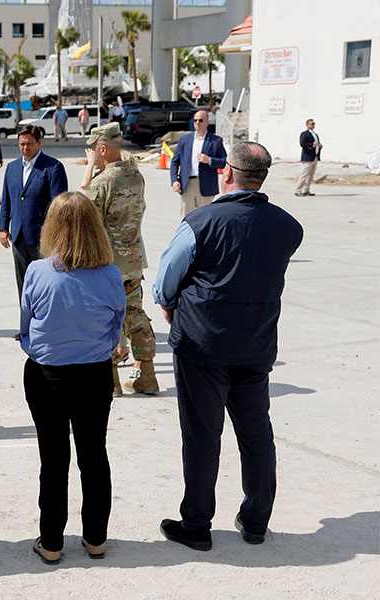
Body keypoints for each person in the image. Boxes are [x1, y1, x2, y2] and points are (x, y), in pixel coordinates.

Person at [153, 142, 303, 551]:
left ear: (228, 173)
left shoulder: (200, 221)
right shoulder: (288, 226)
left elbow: (167, 278)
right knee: (256, 435)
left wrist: (168, 304)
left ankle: (197, 525)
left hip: (203, 344)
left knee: (202, 436)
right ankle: (256, 521)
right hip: (255, 344)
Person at [21, 191, 126, 565]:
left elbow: (26, 327)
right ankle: (96, 538)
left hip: (47, 373)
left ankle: (51, 541)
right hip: (94, 373)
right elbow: (116, 329)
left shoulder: (37, 271)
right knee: (94, 454)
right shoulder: (111, 274)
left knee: (53, 459)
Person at [84, 123, 159, 395]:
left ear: (103, 149)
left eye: (94, 149)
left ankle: (111, 381)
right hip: (133, 263)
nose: (92, 154)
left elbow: (88, 225)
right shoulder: (136, 176)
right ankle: (147, 376)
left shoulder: (102, 182)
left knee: (105, 318)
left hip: (107, 265)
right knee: (136, 315)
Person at [0, 124, 68, 330]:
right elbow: (7, 200)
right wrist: (3, 227)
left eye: (29, 144)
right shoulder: (12, 168)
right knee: (23, 283)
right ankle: (26, 327)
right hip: (18, 236)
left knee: (46, 283)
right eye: (21, 144)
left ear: (39, 142)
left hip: (43, 239)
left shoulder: (53, 168)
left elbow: (59, 206)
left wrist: (56, 235)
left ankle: (45, 326)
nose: (25, 148)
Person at [170, 110, 228, 217]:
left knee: (205, 218)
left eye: (200, 120)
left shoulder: (216, 141)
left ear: (207, 122)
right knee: (186, 218)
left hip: (206, 185)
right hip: (187, 184)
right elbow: (175, 162)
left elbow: (225, 162)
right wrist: (174, 180)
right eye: (195, 120)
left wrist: (210, 160)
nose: (197, 123)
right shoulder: (184, 140)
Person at [295, 118, 322, 197]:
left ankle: (306, 190)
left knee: (311, 175)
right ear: (307, 125)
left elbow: (317, 144)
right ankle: (298, 190)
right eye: (312, 124)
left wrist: (319, 146)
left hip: (315, 157)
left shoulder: (315, 134)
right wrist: (312, 144)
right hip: (307, 157)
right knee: (304, 175)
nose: (313, 125)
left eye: (314, 124)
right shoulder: (304, 134)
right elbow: (302, 143)